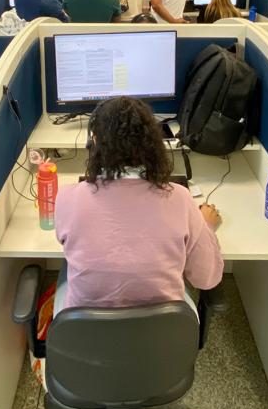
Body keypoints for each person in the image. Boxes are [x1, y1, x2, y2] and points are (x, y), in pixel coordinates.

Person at [53, 96, 223, 314]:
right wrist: (206, 227)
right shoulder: (180, 198)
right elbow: (206, 279)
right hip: (161, 328)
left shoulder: (68, 198)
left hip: (86, 328)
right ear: (153, 142)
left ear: (94, 141)